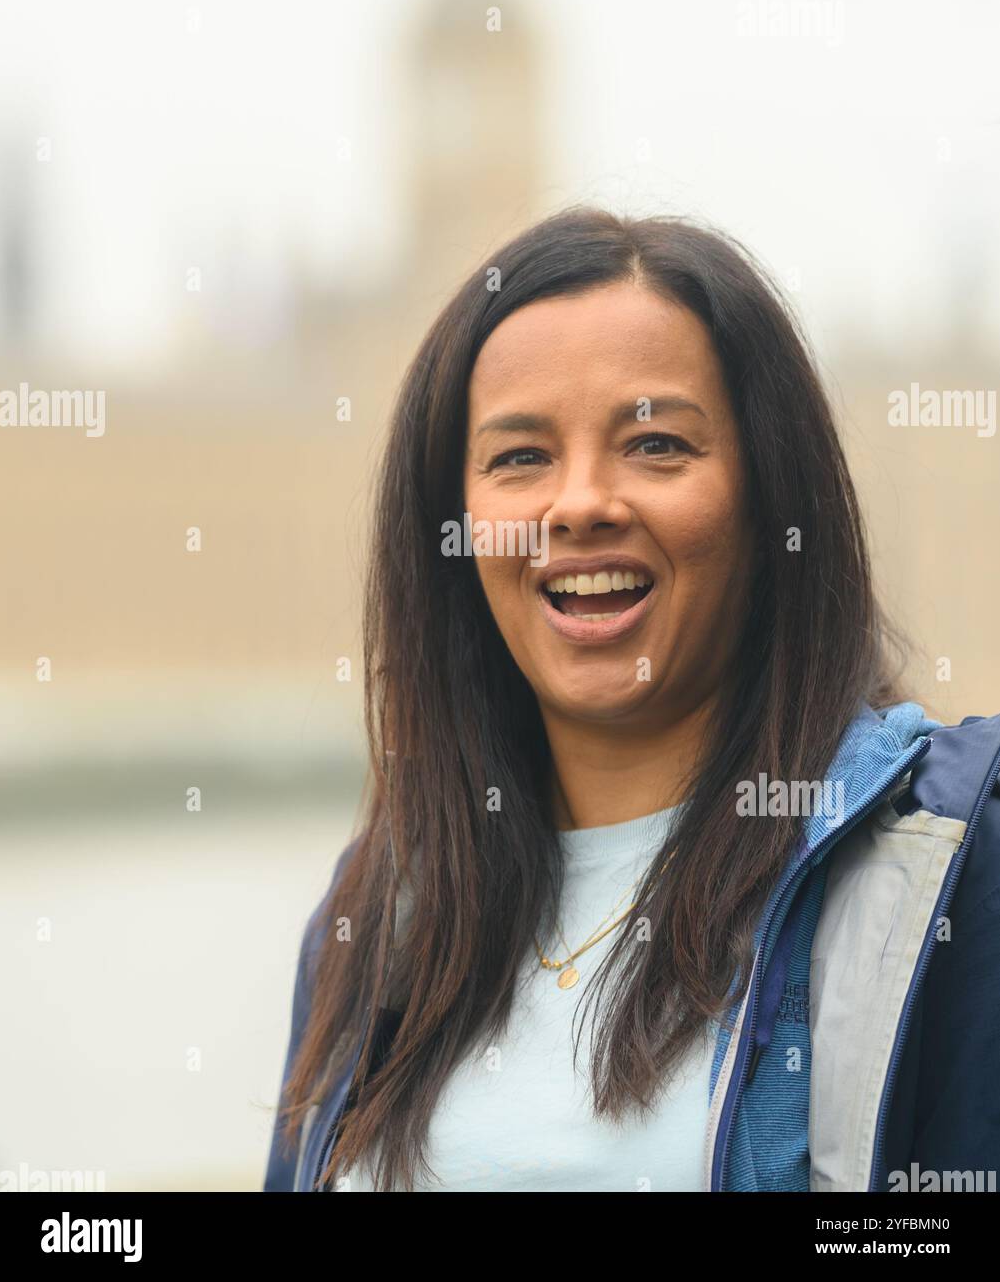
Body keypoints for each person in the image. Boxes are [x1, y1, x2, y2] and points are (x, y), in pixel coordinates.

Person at [263, 206, 1000, 1193]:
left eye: (655, 445)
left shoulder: (939, 869)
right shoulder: (382, 910)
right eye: (519, 457)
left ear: (769, 497)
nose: (578, 504)